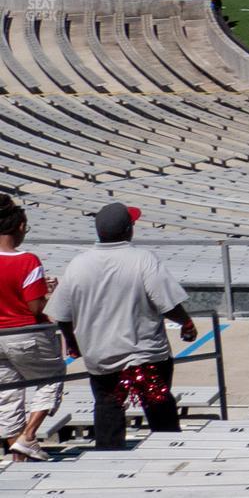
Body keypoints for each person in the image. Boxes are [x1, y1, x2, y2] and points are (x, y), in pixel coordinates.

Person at [45, 204, 197, 452]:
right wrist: (186, 324)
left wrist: (73, 344)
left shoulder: (78, 264)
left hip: (102, 355)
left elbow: (62, 314)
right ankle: (171, 454)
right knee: (159, 405)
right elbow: (167, 302)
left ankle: (109, 462)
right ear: (129, 230)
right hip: (145, 352)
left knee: (107, 406)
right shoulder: (143, 259)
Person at [0, 195, 60, 462]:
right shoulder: (27, 261)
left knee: (9, 393)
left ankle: (19, 455)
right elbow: (35, 307)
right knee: (52, 376)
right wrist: (48, 294)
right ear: (20, 226)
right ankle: (29, 436)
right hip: (25, 332)